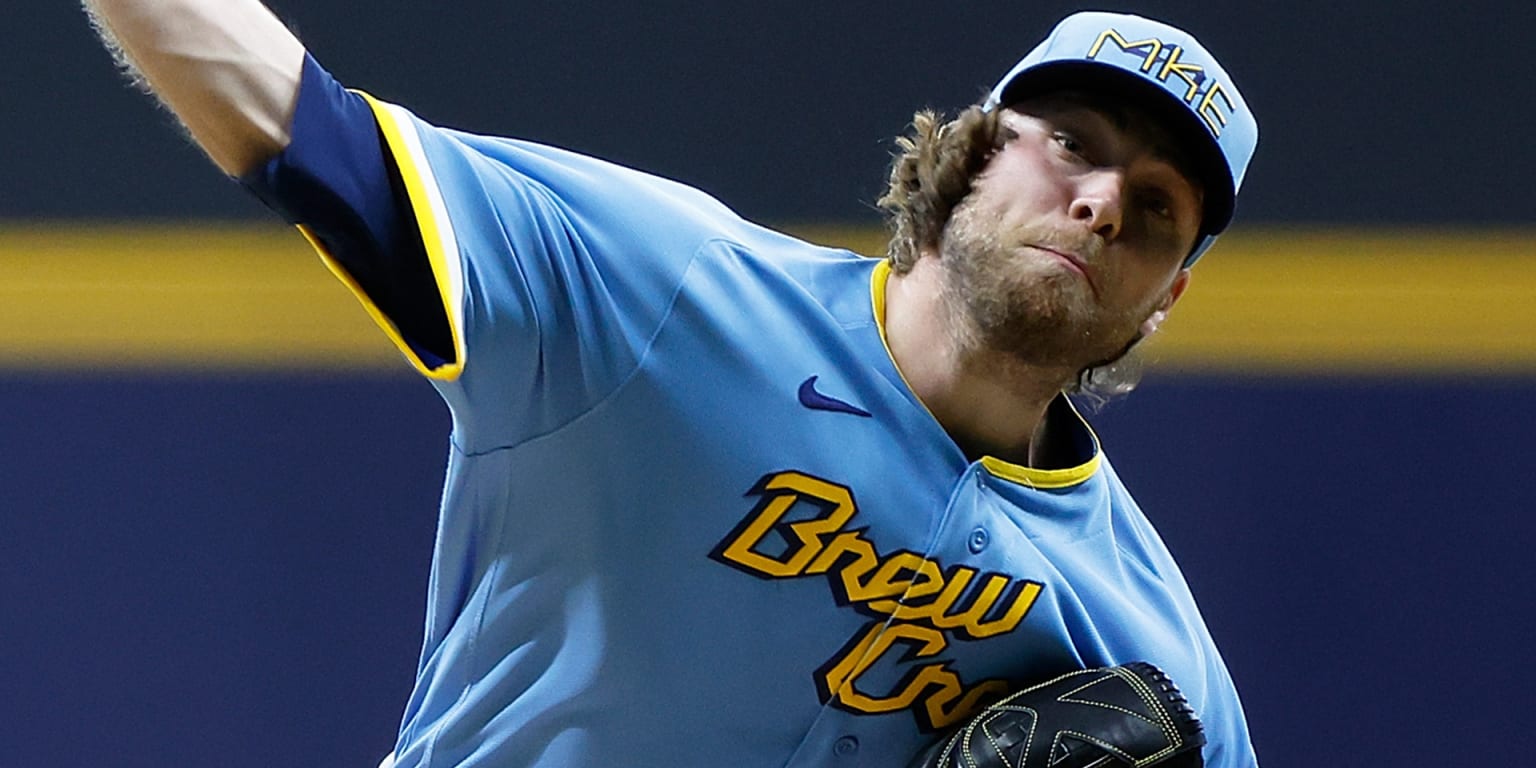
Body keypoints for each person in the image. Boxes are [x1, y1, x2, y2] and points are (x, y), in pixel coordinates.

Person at [84, 2, 1261, 766]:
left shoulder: (1139, 641)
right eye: (1073, 141)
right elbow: (296, 120)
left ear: (1168, 297)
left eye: (1157, 208)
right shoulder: (657, 290)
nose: (1103, 201)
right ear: (972, 148)